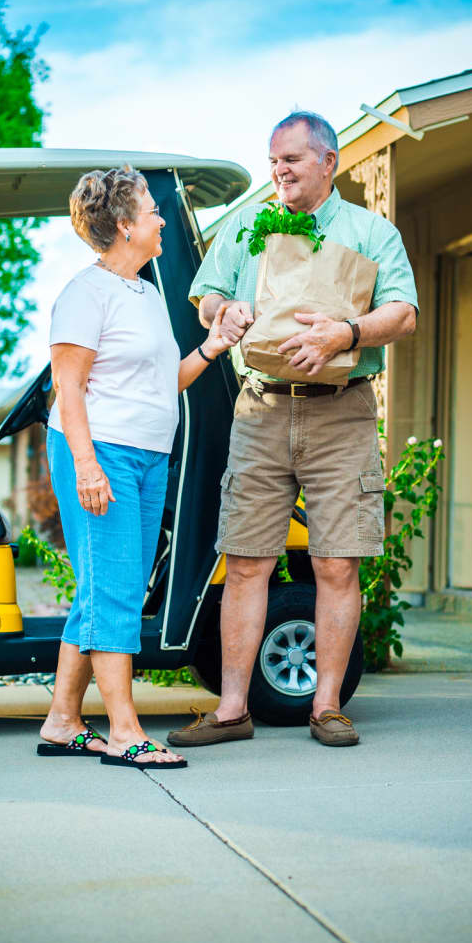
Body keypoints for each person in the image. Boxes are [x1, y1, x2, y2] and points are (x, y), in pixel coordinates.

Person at [170, 111, 418, 749]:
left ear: (328, 162)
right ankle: (231, 710)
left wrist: (348, 333)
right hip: (260, 409)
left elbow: (404, 311)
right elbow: (206, 297)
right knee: (247, 560)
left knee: (337, 563)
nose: (278, 171)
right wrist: (225, 309)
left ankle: (326, 706)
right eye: (273, 160)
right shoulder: (247, 226)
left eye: (292, 160)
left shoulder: (369, 231)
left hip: (342, 411)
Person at [36, 166, 240, 769]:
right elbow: (68, 390)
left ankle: (62, 721)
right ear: (125, 226)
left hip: (150, 459)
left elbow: (164, 381)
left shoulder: (147, 293)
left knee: (103, 588)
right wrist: (88, 467)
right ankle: (125, 732)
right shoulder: (85, 293)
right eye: (152, 210)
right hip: (103, 456)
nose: (160, 220)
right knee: (117, 592)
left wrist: (212, 347)